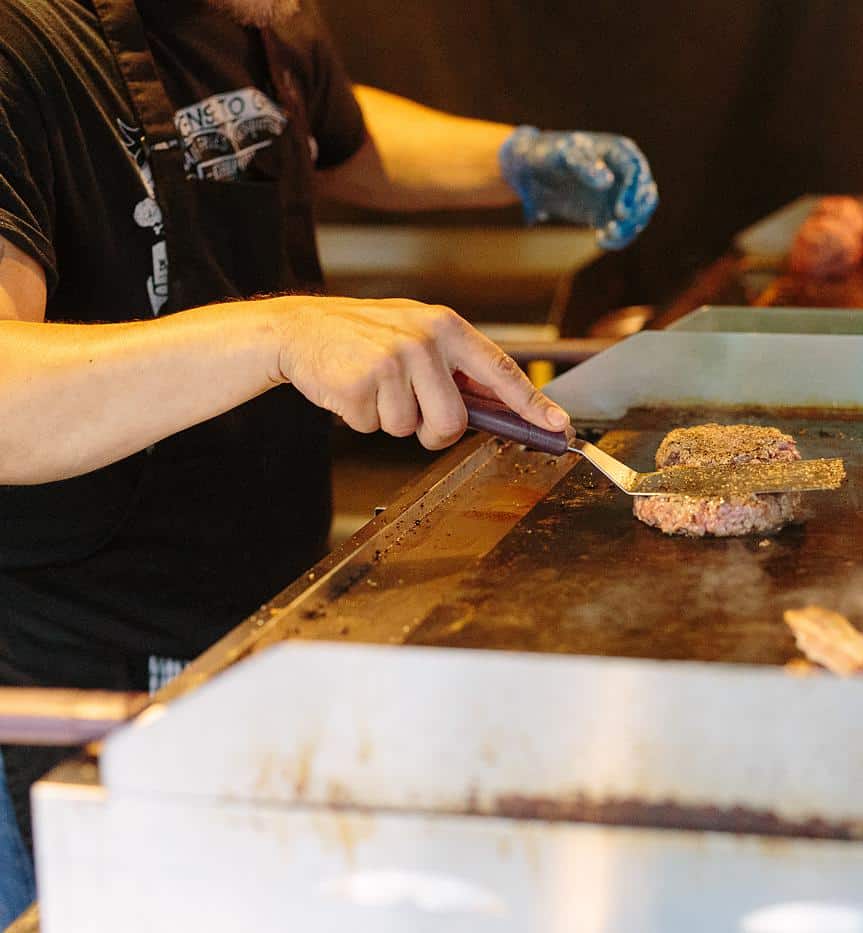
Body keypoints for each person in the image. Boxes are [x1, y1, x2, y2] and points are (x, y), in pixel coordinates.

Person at [0, 0, 657, 919]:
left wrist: (517, 159)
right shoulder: (22, 41)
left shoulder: (258, 15)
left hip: (268, 610)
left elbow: (323, 129)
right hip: (76, 683)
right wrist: (278, 332)